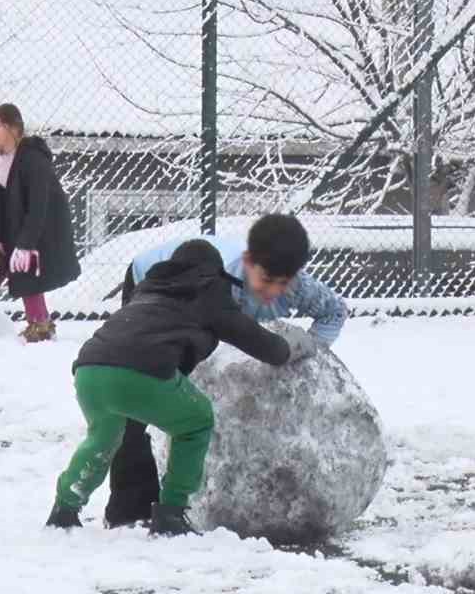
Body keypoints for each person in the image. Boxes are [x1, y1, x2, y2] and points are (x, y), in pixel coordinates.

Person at [101, 212, 348, 529]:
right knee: (142, 388)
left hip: (204, 303)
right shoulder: (216, 283)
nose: (273, 291)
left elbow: (334, 312)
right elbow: (231, 337)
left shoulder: (300, 288)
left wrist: (310, 355)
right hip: (153, 278)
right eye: (266, 280)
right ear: (247, 262)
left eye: (283, 284)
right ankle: (130, 509)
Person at [46, 239, 310, 535]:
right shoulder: (209, 294)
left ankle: (64, 509)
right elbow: (264, 346)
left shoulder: (148, 290)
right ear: (213, 273)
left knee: (103, 438)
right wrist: (294, 347)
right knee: (196, 420)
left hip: (89, 371)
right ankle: (171, 512)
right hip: (140, 372)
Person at [0, 102, 81, 343]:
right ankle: (38, 321)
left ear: (15, 128)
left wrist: (26, 242)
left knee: (28, 267)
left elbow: (39, 203)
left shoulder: (32, 158)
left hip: (46, 223)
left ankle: (40, 324)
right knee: (23, 269)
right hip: (18, 222)